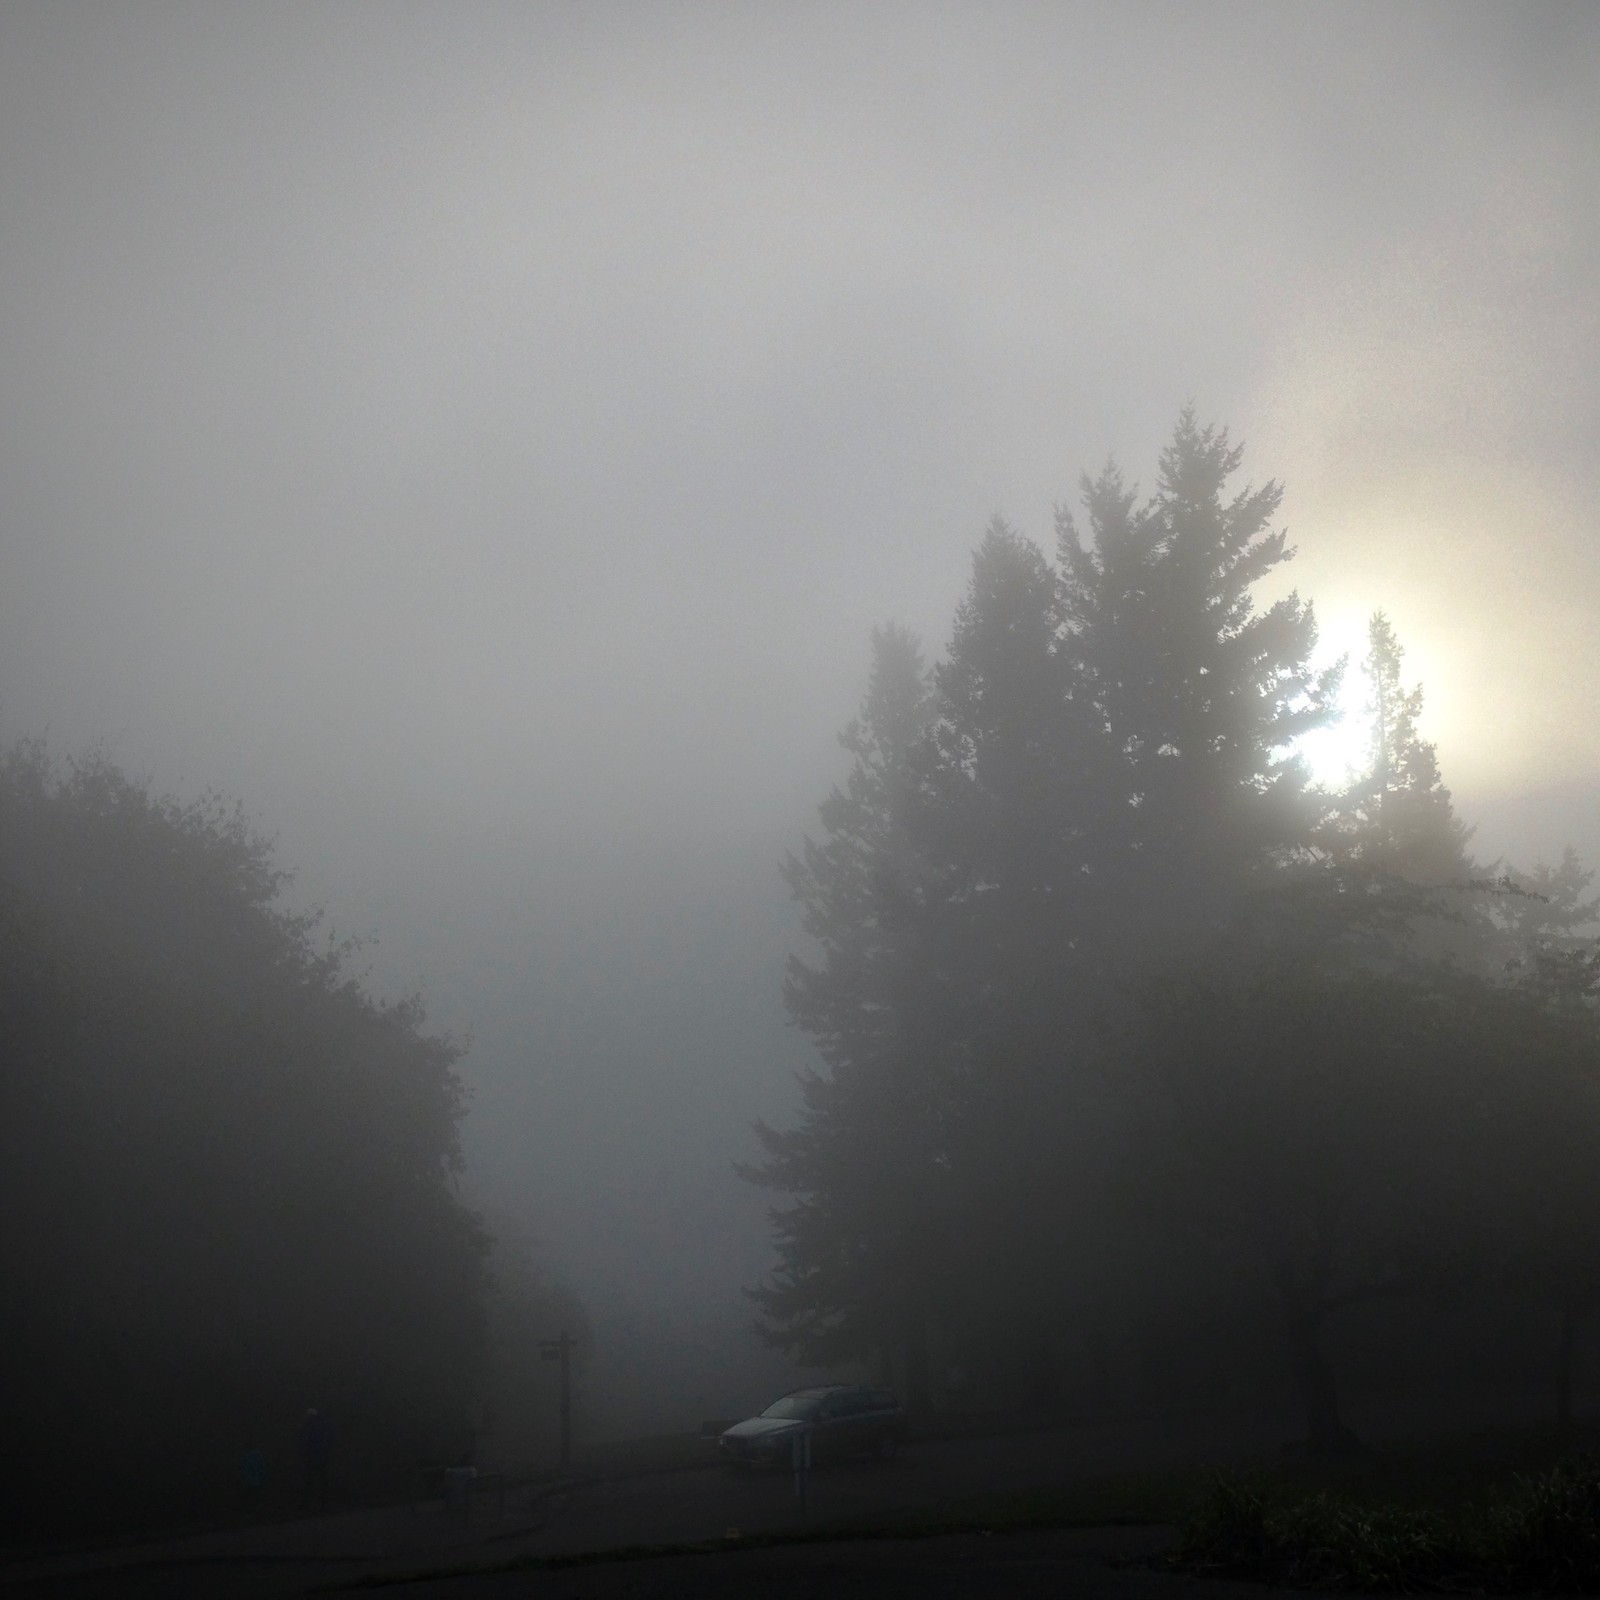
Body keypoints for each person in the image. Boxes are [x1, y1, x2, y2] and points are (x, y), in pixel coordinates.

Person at [299, 1406, 332, 1511]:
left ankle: (310, 1502)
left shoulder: (309, 1426)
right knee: (322, 1478)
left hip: (313, 1456)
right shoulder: (322, 1425)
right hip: (322, 1455)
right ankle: (323, 1501)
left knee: (311, 1479)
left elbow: (306, 1441)